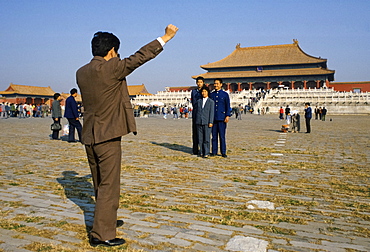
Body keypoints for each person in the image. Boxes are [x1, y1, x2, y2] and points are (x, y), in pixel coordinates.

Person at [76, 24, 178, 247]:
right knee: (109, 185)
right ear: (112, 51)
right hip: (108, 135)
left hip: (89, 135)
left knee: (99, 182)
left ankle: (106, 221)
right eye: (117, 53)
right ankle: (102, 235)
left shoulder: (81, 72)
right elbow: (140, 57)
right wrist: (166, 37)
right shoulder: (112, 68)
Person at [210, 78, 231, 157]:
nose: (215, 85)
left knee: (222, 136)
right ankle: (214, 151)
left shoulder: (225, 94)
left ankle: (223, 152)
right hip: (213, 118)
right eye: (215, 83)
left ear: (221, 84)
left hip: (222, 118)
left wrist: (227, 115)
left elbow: (227, 106)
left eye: (217, 83)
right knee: (214, 136)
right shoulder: (212, 95)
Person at [195, 86, 214, 158]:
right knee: (200, 138)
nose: (203, 93)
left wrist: (211, 121)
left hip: (207, 122)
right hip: (199, 121)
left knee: (206, 138)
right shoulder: (199, 101)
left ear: (208, 92)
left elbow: (211, 113)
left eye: (205, 91)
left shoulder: (211, 102)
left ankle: (207, 152)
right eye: (202, 92)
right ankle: (201, 151)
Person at [190, 76, 205, 155]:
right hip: (195, 113)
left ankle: (203, 149)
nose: (199, 84)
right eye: (198, 82)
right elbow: (193, 102)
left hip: (203, 114)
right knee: (195, 132)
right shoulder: (194, 92)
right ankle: (195, 149)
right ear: (196, 83)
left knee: (203, 133)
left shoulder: (205, 91)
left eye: (201, 82)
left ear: (203, 83)